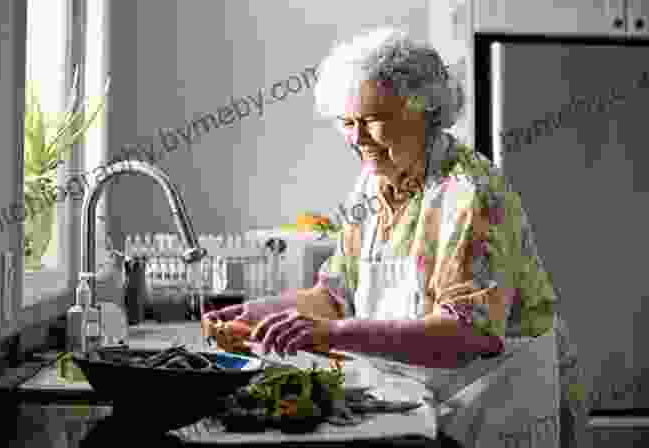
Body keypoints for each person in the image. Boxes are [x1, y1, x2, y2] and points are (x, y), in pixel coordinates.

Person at [203, 26, 588, 447]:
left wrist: (330, 334)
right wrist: (250, 315)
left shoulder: (470, 194)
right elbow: (334, 296)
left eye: (371, 121)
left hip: (491, 410)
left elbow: (467, 335)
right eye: (346, 122)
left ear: (424, 110)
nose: (355, 138)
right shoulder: (372, 185)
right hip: (420, 406)